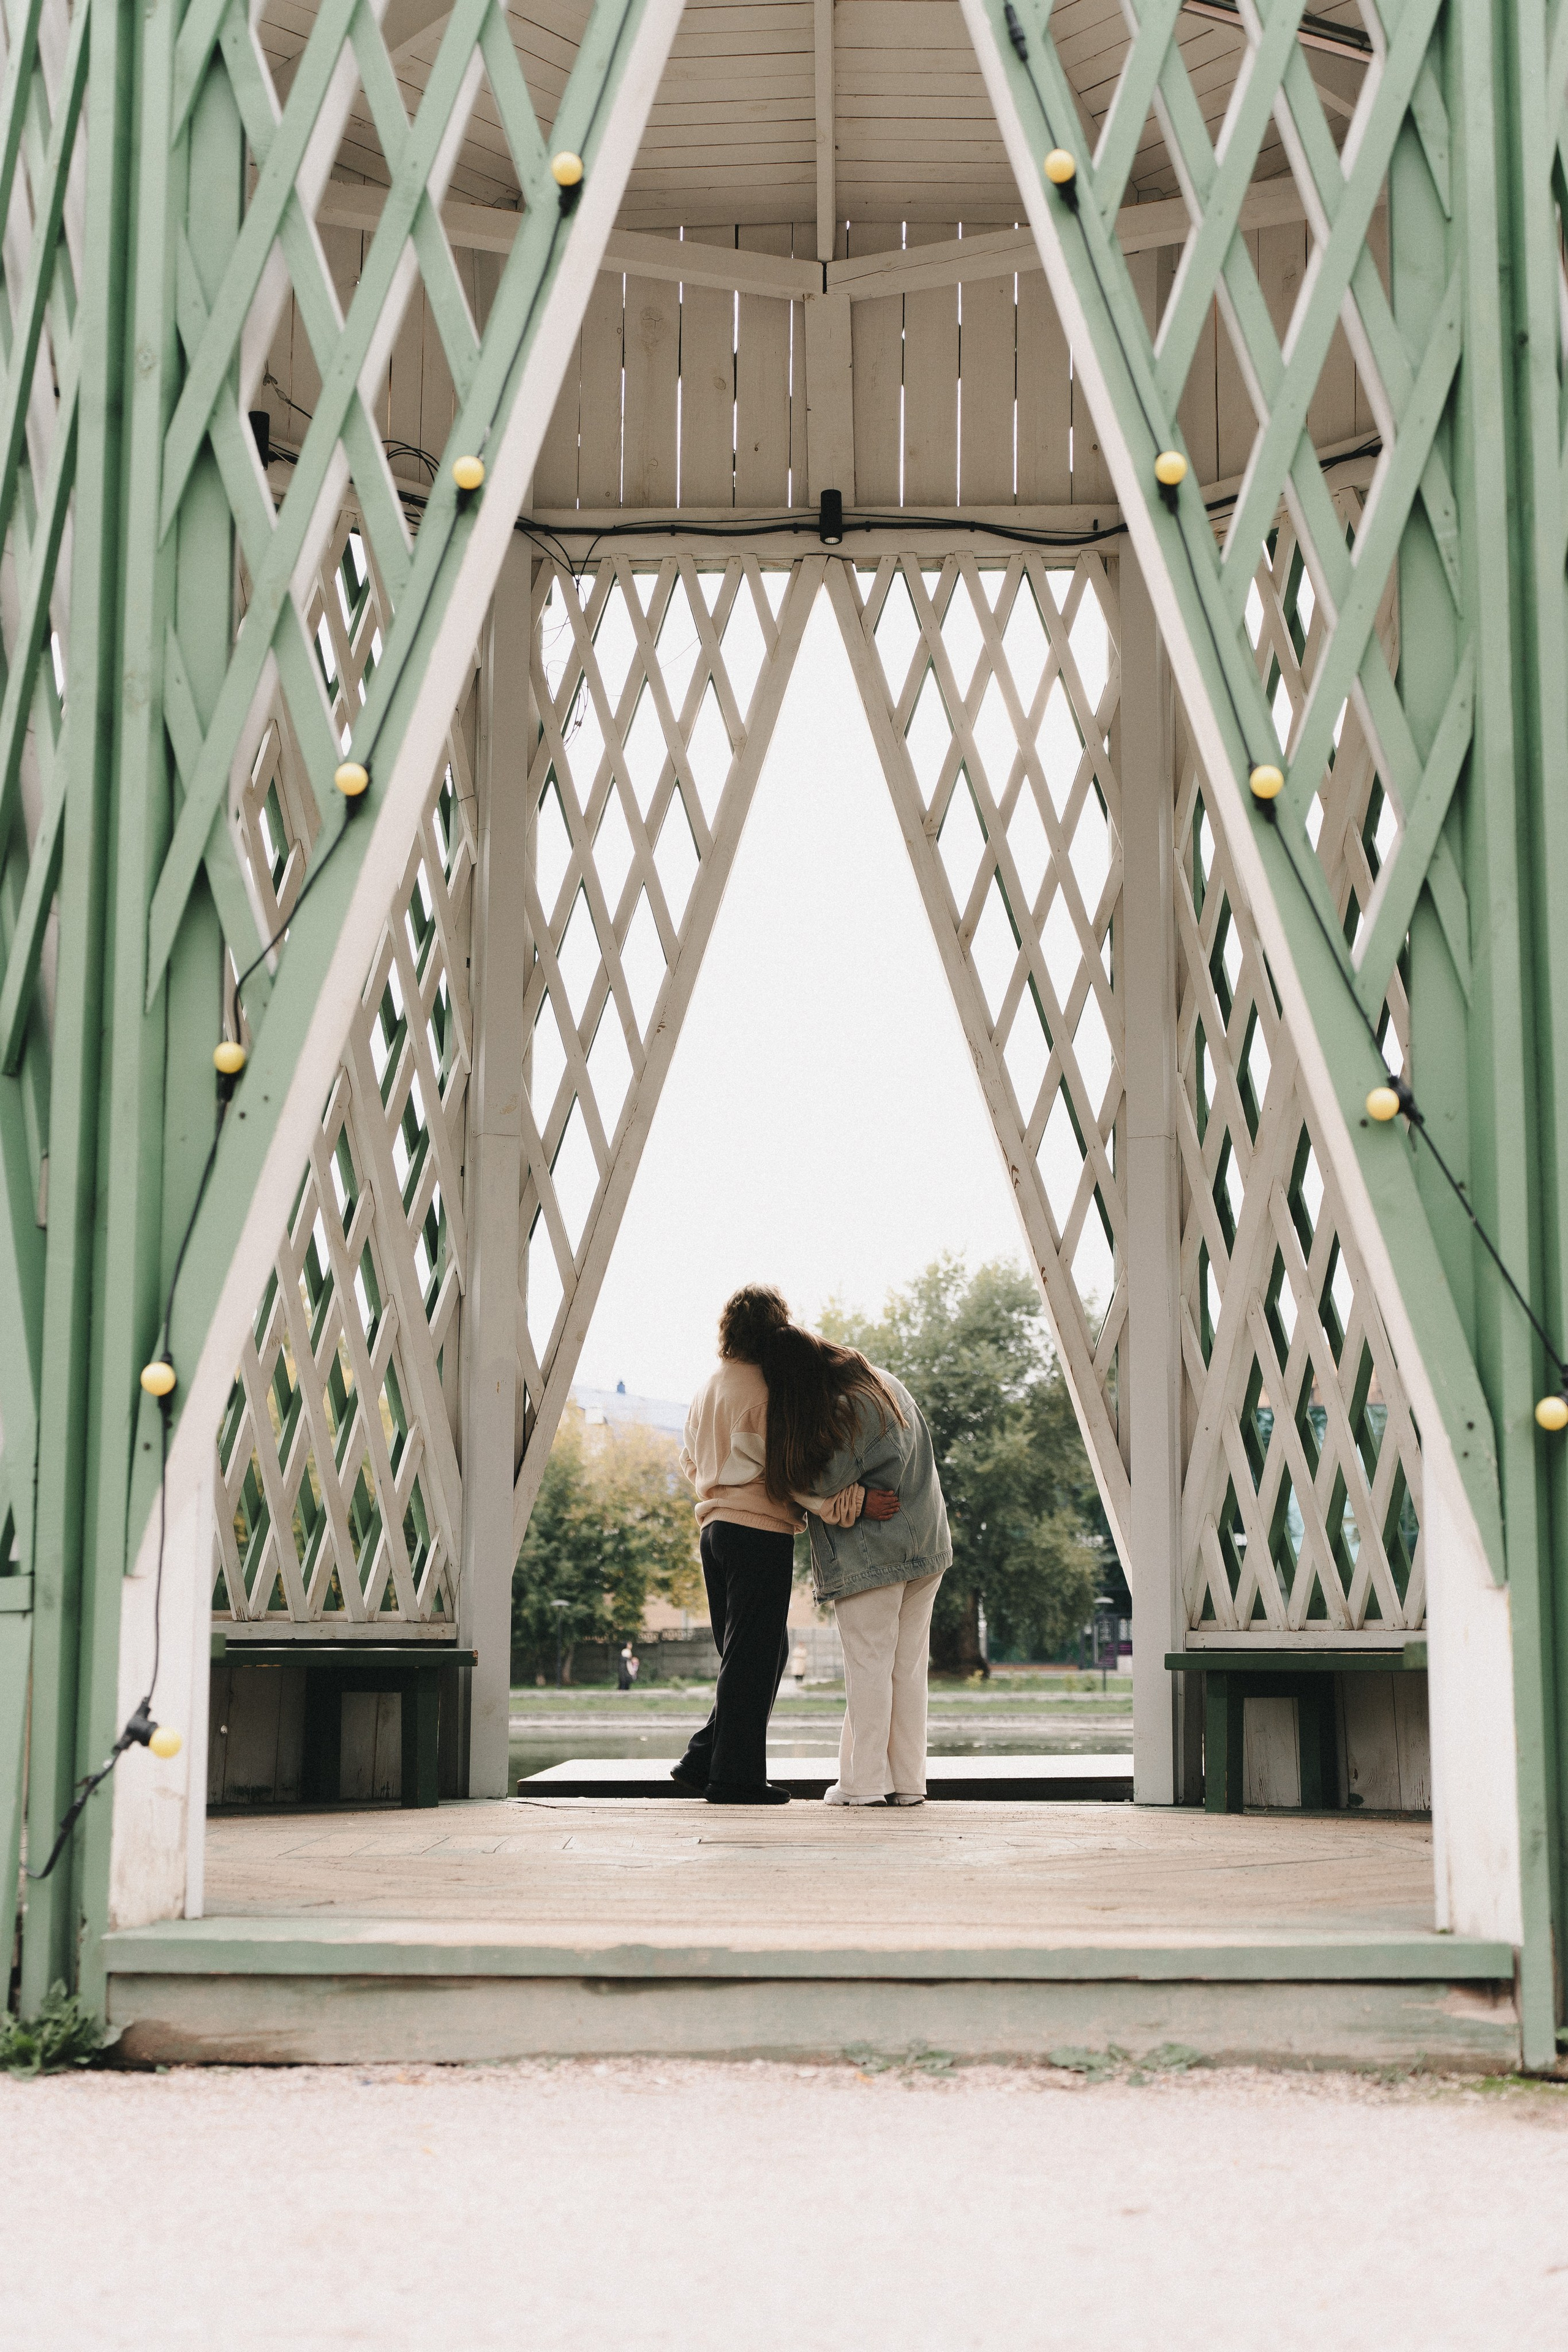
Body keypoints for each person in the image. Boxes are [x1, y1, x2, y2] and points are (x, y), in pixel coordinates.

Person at [674, 1286, 896, 1806]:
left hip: (714, 1530)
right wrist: (848, 1503)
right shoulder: (765, 1391)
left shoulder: (708, 1388)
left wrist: (717, 1486)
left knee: (754, 1654)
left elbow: (687, 1459)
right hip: (758, 1532)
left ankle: (703, 1758)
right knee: (755, 1656)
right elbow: (791, 1475)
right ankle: (735, 1780)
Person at [764, 1324, 950, 1807]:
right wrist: (852, 1496)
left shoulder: (845, 1410)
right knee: (907, 1672)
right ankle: (907, 1783)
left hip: (873, 1556)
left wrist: (828, 1500)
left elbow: (800, 1479)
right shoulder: (885, 1384)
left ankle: (864, 1784)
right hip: (926, 1543)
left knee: (868, 1667)